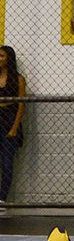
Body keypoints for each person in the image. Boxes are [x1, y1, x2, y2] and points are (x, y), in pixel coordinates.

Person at [0, 45, 26, 210]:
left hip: (9, 118)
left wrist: (14, 127)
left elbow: (21, 105)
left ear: (9, 59)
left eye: (2, 56)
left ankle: (2, 198)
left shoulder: (18, 79)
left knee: (7, 162)